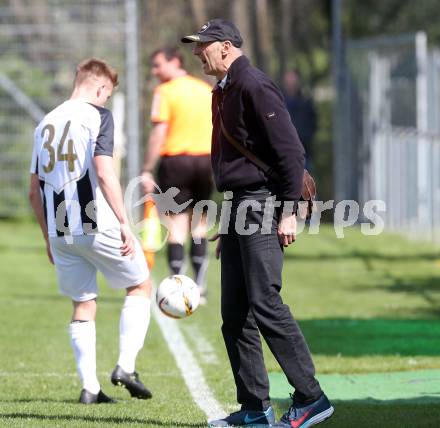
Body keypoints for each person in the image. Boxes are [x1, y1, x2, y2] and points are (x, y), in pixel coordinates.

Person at [182, 19, 334, 427]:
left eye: (204, 46)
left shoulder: (253, 85)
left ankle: (311, 397)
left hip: (263, 205)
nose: (197, 53)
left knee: (266, 303)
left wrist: (288, 211)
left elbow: (290, 152)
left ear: (227, 47)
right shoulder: (227, 88)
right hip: (238, 209)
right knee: (234, 314)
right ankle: (255, 410)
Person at [29, 58, 152, 404]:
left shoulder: (44, 123)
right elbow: (104, 171)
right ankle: (126, 365)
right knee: (140, 284)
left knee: (83, 302)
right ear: (100, 88)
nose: (106, 101)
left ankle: (90, 388)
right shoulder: (98, 115)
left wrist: (46, 239)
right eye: (107, 95)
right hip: (94, 220)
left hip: (60, 228)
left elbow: (33, 190)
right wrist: (126, 223)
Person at [141, 47, 213, 301]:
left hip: (176, 162)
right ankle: (201, 287)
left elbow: (159, 132)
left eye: (158, 65)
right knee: (200, 226)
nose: (155, 71)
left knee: (176, 228)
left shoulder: (165, 92)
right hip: (206, 162)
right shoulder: (205, 89)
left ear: (174, 62)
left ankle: (177, 288)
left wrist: (147, 168)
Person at [283, 70, 317, 171]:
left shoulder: (306, 102)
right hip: (285, 154)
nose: (291, 85)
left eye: (293, 82)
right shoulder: (280, 102)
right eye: (288, 82)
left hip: (304, 153)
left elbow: (313, 124)